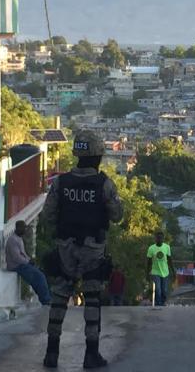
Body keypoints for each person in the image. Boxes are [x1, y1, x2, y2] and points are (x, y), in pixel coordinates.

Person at [41, 130, 123, 369]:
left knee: (59, 298)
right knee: (92, 299)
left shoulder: (61, 182)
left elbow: (47, 216)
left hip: (65, 246)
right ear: (97, 156)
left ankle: (51, 352)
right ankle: (91, 353)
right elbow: (117, 216)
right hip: (92, 249)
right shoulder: (104, 184)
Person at [5, 220, 51, 305]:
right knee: (39, 276)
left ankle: (45, 299)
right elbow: (16, 257)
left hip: (22, 264)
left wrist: (29, 260)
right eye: (23, 227)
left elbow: (23, 254)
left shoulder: (18, 238)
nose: (25, 229)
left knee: (40, 275)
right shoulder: (12, 240)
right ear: (18, 228)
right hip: (16, 266)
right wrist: (28, 261)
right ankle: (46, 300)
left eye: (25, 227)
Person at [146, 231, 175, 306]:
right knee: (158, 289)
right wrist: (147, 274)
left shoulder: (167, 247)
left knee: (164, 290)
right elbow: (149, 262)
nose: (159, 239)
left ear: (163, 239)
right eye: (158, 238)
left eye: (161, 238)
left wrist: (173, 271)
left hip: (165, 272)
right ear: (155, 239)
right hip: (155, 272)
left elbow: (169, 260)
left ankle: (163, 302)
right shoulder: (151, 248)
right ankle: (158, 302)